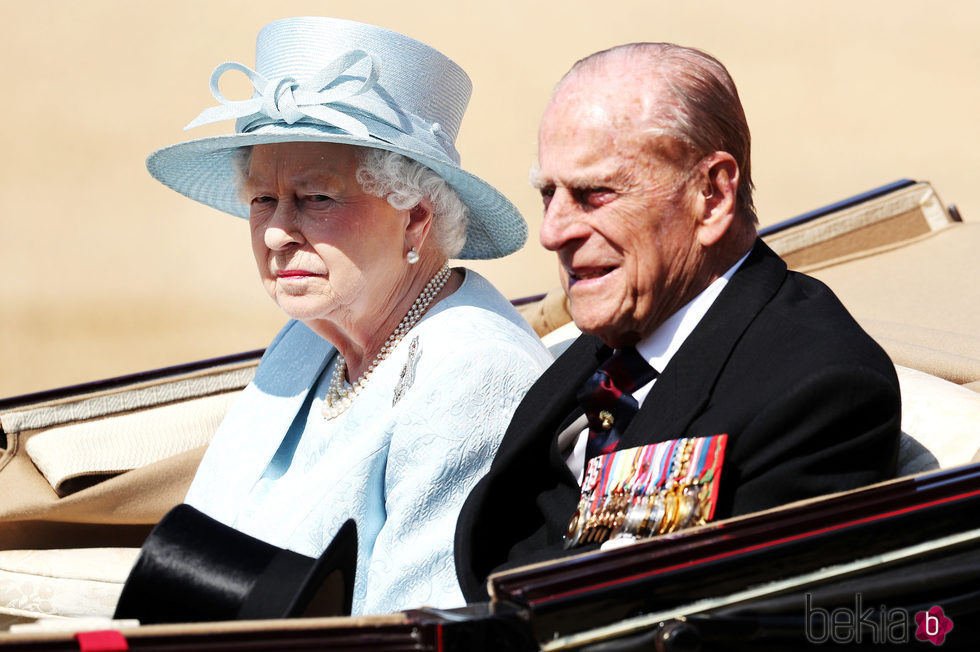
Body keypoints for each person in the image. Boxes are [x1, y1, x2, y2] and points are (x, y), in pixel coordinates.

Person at [455, 42, 901, 601]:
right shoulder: (610, 342)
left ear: (710, 196)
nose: (552, 231)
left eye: (595, 193)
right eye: (549, 193)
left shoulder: (819, 390)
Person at [141, 17, 552, 615]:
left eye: (317, 198)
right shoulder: (309, 339)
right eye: (263, 199)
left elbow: (414, 628)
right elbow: (203, 542)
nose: (277, 232)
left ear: (415, 218)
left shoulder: (476, 374)